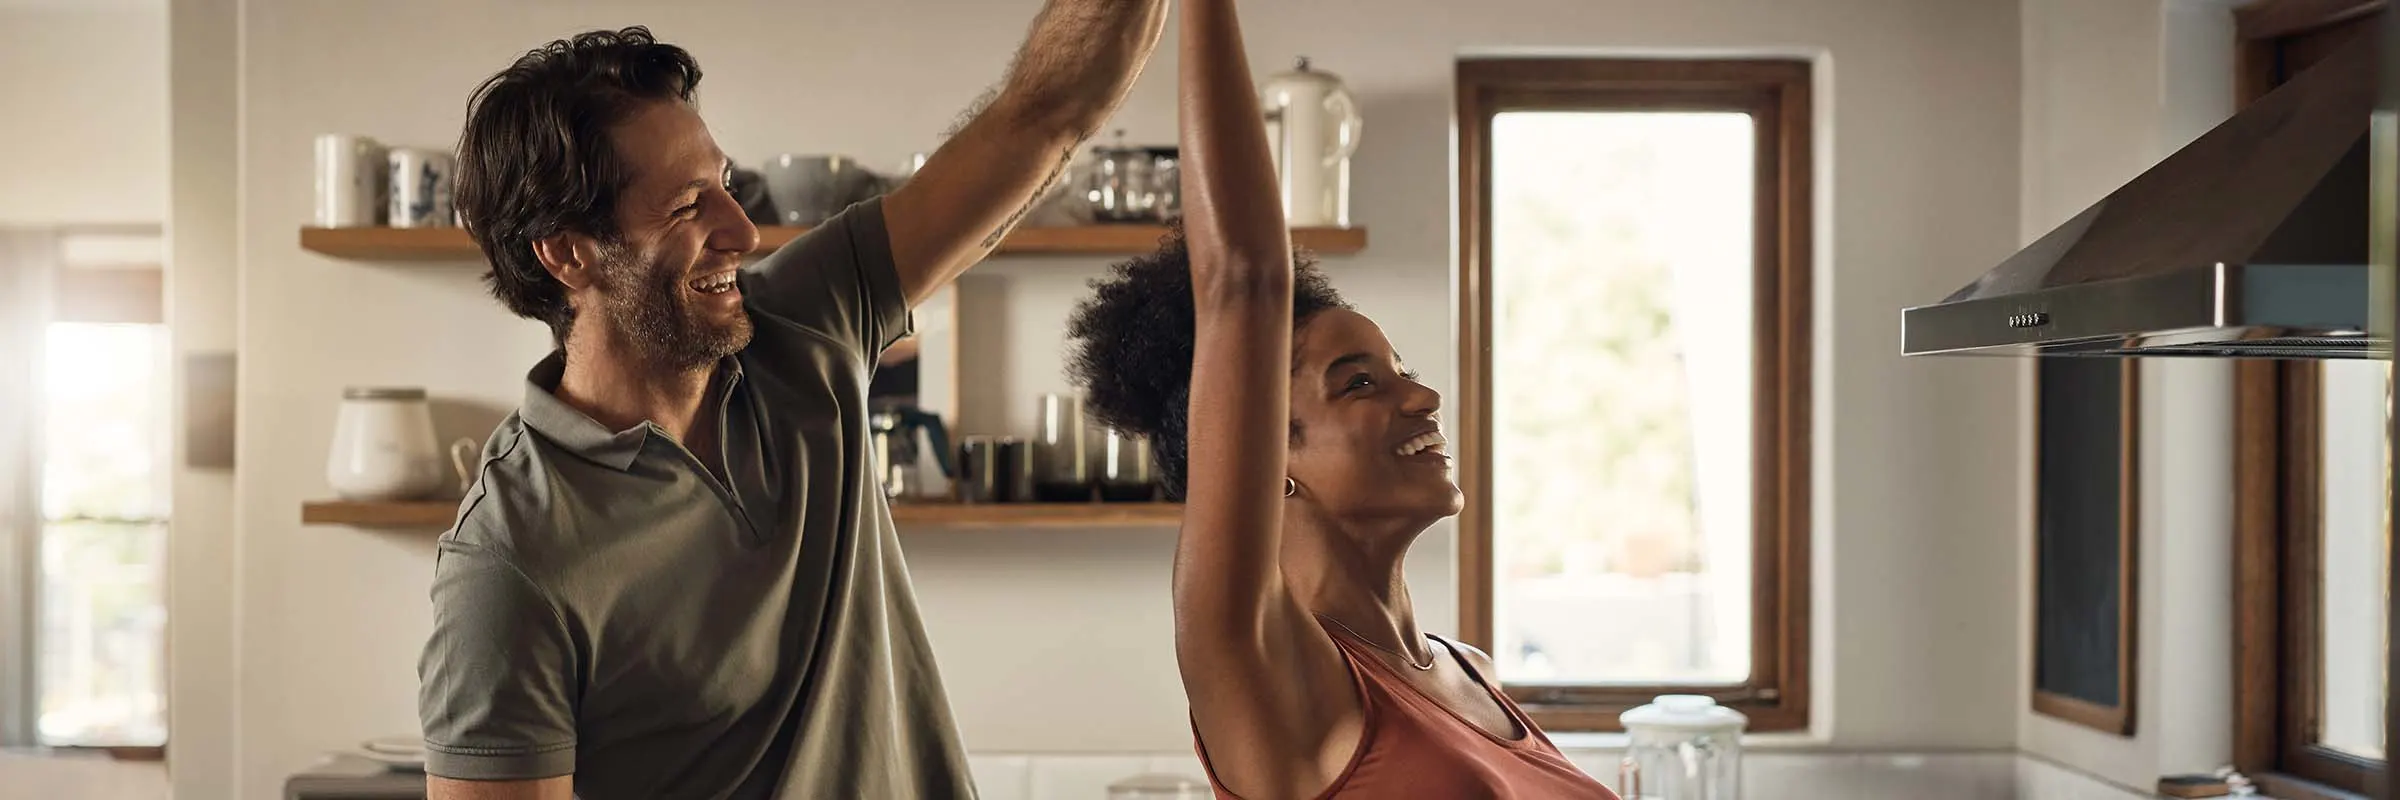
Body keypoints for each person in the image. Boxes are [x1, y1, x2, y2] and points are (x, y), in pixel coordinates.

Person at [417, 10, 1164, 799]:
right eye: (686, 206)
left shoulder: (809, 321)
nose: (741, 230)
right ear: (568, 253)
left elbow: (1046, 115)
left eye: (727, 188)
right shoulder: (508, 564)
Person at [1063, 1, 1621, 798]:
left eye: (1401, 371)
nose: (1424, 397)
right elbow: (1244, 281)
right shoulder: (1266, 668)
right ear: (1268, 456)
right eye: (1361, 383)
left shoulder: (1473, 672)